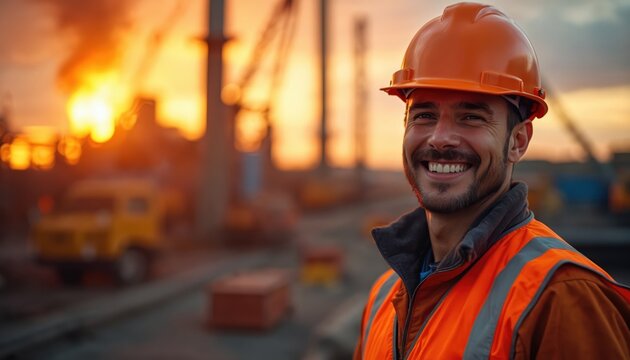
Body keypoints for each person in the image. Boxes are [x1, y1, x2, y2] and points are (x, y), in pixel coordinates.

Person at [354, 3, 630, 359]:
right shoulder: (384, 299)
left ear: (518, 141)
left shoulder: (561, 296)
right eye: (424, 115)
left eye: (470, 117)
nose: (440, 138)